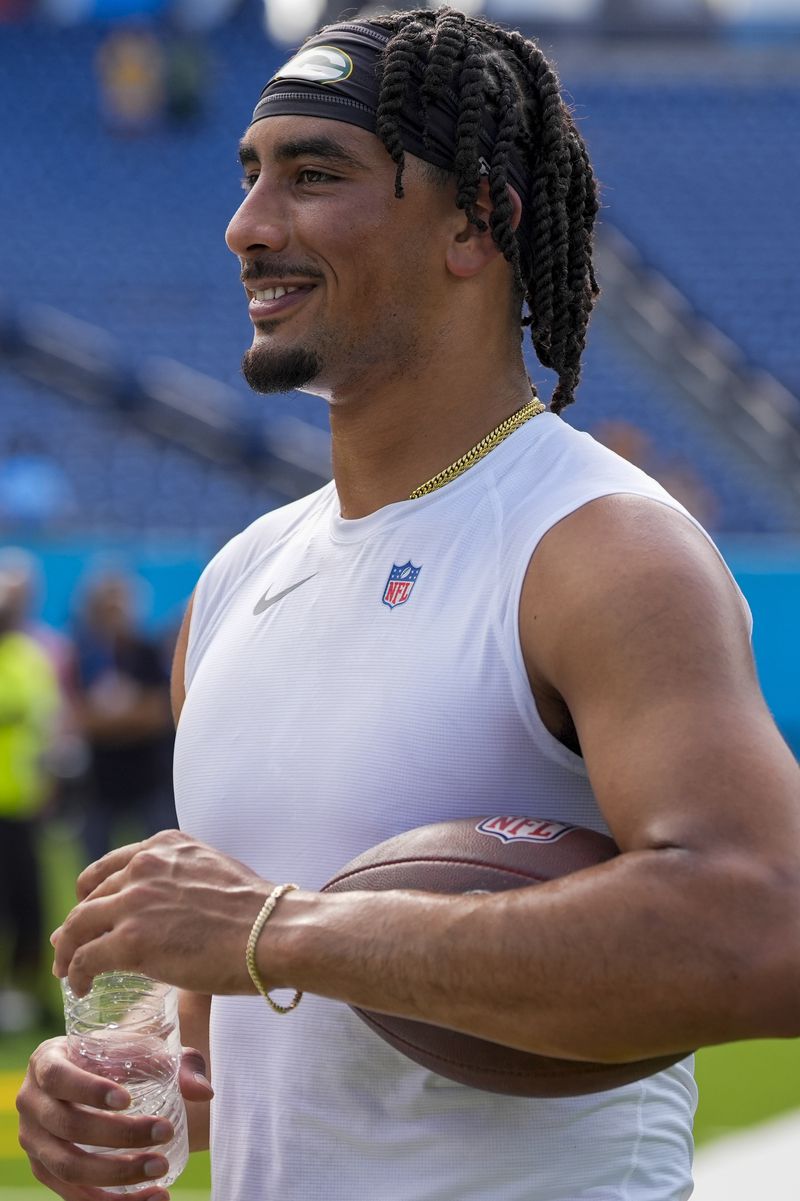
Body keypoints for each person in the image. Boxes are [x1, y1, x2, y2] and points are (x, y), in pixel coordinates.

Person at [17, 8, 800, 1201]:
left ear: (475, 222)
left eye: (312, 175)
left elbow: (763, 929)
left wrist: (281, 931)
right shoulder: (236, 582)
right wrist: (123, 1089)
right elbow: (249, 1044)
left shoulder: (600, 547)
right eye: (248, 176)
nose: (245, 226)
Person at [71, 571, 176, 864]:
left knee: (161, 862)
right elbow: (79, 717)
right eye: (107, 607)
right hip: (100, 781)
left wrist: (110, 722)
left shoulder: (147, 651)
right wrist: (129, 719)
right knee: (94, 867)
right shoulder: (84, 654)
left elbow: (157, 715)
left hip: (148, 777)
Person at [0, 563, 59, 1032]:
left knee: (26, 904)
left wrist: (48, 783)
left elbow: (46, 729)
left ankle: (21, 994)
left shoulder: (29, 656)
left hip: (20, 807)